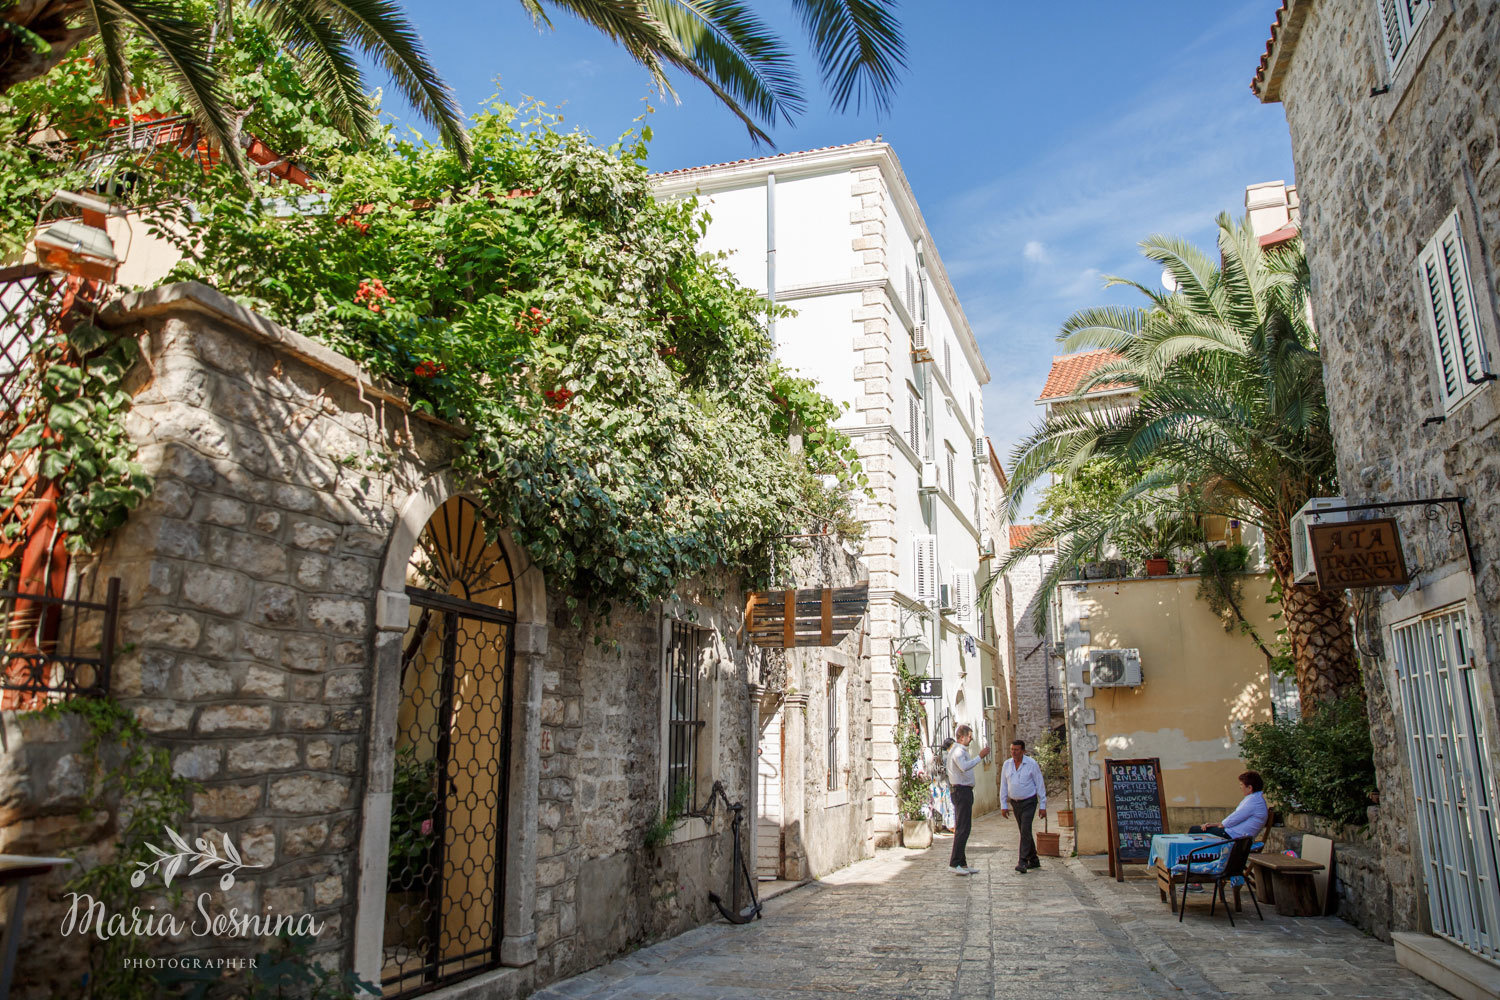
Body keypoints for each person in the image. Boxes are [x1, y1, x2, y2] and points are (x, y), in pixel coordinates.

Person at [946, 725, 990, 875]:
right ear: (962, 737)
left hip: (964, 791)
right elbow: (964, 767)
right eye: (969, 737)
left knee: (964, 827)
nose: (971, 739)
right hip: (961, 791)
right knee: (963, 829)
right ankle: (954, 862)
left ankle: (962, 863)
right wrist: (980, 756)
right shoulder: (958, 751)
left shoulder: (960, 751)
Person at [999, 739, 1046, 874]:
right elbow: (1003, 785)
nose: (1014, 752)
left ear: (1023, 751)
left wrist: (1043, 805)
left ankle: (1023, 862)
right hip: (1015, 803)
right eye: (1012, 749)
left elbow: (1040, 784)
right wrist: (1003, 804)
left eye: (1017, 750)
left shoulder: (1031, 764)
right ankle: (1034, 859)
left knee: (1025, 829)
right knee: (1024, 831)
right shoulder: (1007, 765)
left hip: (1029, 802)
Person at [1190, 771, 1269, 841]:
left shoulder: (1253, 801)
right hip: (1237, 836)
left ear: (1250, 787)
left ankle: (1189, 856)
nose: (1240, 787)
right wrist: (1214, 825)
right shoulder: (1256, 799)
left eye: (1241, 785)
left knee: (1194, 830)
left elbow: (1231, 820)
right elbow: (1232, 821)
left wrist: (1214, 825)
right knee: (1202, 830)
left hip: (1235, 837)